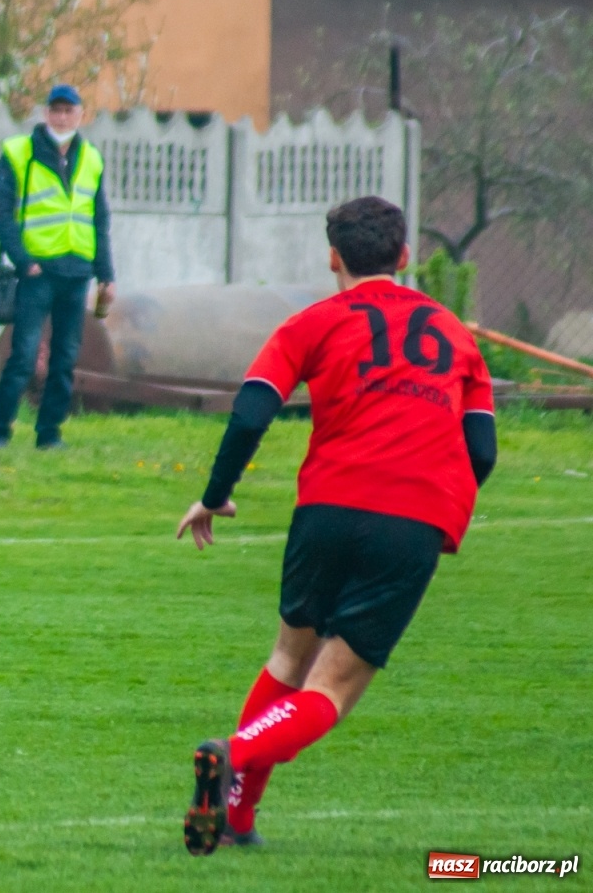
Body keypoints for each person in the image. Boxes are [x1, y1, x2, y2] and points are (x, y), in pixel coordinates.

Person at [174, 196, 497, 854]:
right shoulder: (455, 335)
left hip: (326, 509)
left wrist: (214, 496)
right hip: (410, 519)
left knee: (288, 656)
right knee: (333, 687)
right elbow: (483, 450)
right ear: (405, 258)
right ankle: (231, 753)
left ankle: (236, 817)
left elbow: (250, 413)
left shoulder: (311, 323)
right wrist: (439, 505)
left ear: (333, 258)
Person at [0, 82, 116, 450]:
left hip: (76, 273)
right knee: (24, 356)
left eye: (69, 110)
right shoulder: (19, 153)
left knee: (64, 360)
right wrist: (24, 261)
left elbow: (99, 219)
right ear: (46, 114)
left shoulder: (91, 157)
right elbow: (1, 214)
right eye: (56, 110)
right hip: (38, 273)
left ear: (80, 114)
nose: (62, 117)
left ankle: (49, 435)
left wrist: (106, 275)